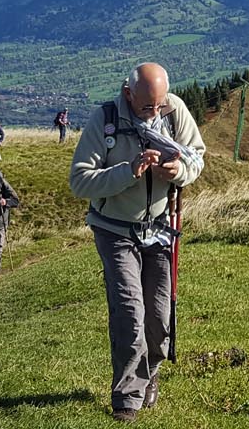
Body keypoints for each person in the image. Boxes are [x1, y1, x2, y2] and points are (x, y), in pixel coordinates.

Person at [69, 63, 205, 423]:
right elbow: (80, 182)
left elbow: (196, 156)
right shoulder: (105, 120)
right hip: (114, 230)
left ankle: (151, 371)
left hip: (159, 229)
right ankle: (127, 398)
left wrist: (179, 172)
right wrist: (129, 171)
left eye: (159, 105)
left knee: (159, 317)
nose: (155, 112)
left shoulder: (174, 111)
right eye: (147, 106)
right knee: (130, 312)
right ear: (128, 93)